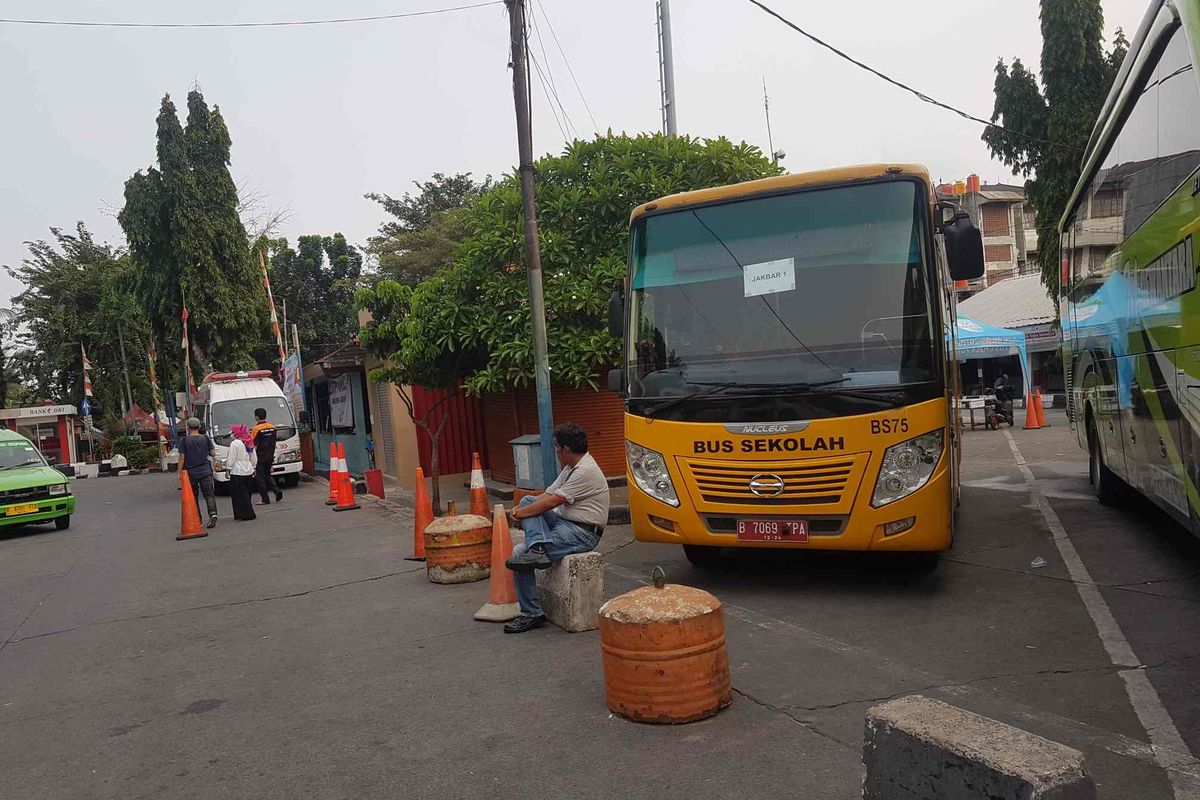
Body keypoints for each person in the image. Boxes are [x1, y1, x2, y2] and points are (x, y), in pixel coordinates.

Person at [503, 422, 610, 634]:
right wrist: (520, 509)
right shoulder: (571, 468)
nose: (556, 452)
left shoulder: (586, 470)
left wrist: (521, 515)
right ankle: (538, 548)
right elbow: (546, 495)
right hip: (564, 524)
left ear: (567, 448)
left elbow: (553, 502)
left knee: (519, 553)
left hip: (582, 533)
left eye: (557, 447)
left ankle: (532, 614)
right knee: (527, 501)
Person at [178, 417, 218, 528]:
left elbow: (182, 457)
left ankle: (197, 520)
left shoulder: (185, 441)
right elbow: (213, 453)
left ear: (188, 428)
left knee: (193, 497)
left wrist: (179, 472)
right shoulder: (205, 438)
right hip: (205, 471)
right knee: (209, 495)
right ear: (199, 427)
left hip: (191, 473)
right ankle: (213, 513)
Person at [250, 408, 283, 505]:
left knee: (260, 478)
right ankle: (277, 491)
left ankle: (265, 499)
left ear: (256, 417)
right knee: (267, 475)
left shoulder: (256, 429)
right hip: (270, 456)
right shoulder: (272, 427)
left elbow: (254, 445)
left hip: (260, 457)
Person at [226, 424, 258, 521]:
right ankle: (245, 512)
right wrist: (253, 467)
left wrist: (228, 468)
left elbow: (232, 457)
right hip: (248, 470)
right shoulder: (249, 441)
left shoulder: (235, 443)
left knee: (239, 495)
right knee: (247, 494)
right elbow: (254, 457)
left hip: (237, 471)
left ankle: (244, 513)